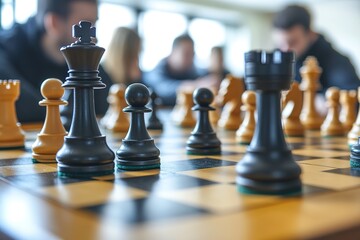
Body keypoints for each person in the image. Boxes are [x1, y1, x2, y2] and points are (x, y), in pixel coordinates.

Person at [0, 0, 113, 123]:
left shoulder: (86, 62)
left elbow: (107, 101)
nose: (94, 36)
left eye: (95, 23)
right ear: (54, 23)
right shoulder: (8, 51)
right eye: (87, 24)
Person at [272, 5, 359, 93]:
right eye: (281, 43)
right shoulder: (278, 56)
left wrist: (318, 99)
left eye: (293, 42)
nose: (285, 49)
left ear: (310, 34)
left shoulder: (336, 61)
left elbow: (351, 95)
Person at [143, 34, 220, 106]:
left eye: (192, 54)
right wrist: (197, 86)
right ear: (173, 52)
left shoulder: (191, 71)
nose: (190, 58)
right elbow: (162, 89)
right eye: (186, 53)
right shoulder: (157, 71)